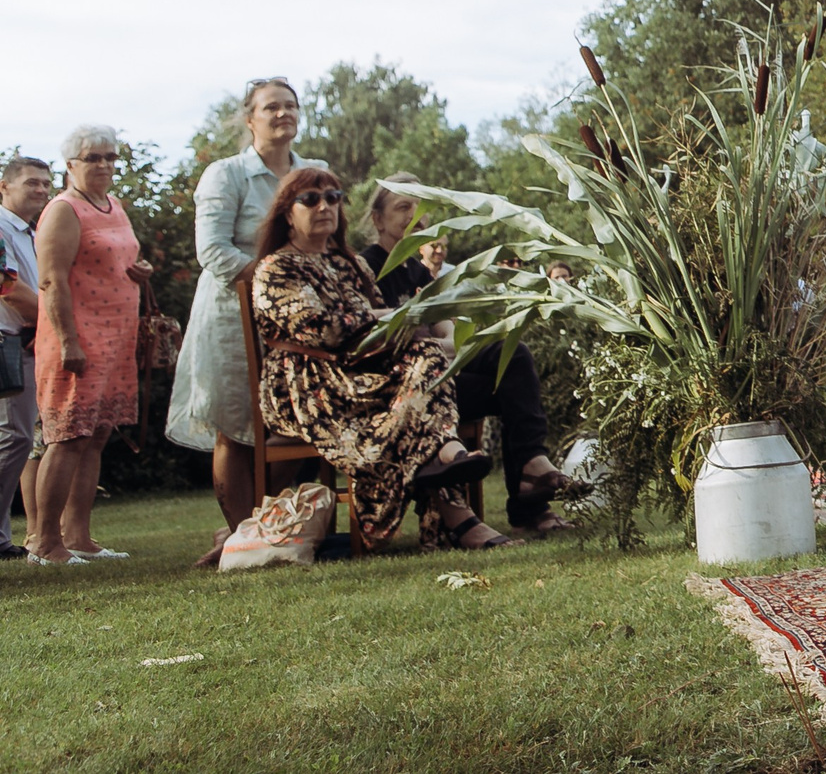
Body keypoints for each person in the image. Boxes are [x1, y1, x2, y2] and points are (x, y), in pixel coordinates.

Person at [250, 168, 511, 551]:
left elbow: (382, 318)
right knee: (425, 364)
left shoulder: (348, 263)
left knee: (426, 356)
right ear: (287, 213)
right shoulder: (276, 268)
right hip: (310, 384)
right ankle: (450, 468)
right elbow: (321, 330)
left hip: (367, 371)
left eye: (333, 197)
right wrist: (384, 319)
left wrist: (392, 323)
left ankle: (452, 490)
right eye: (310, 199)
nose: (325, 206)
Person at [365, 178, 585, 533]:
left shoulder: (419, 272)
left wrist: (433, 348)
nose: (415, 217)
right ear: (377, 219)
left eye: (420, 208)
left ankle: (531, 480)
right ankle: (532, 488)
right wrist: (430, 348)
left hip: (437, 380)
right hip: (398, 395)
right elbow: (374, 340)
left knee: (511, 363)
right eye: (403, 208)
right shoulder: (368, 267)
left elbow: (450, 336)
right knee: (505, 360)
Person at [168, 76, 313, 558]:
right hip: (232, 317)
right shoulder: (225, 174)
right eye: (270, 107)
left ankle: (258, 528)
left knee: (296, 417)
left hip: (298, 320)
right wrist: (272, 280)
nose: (282, 114)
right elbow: (212, 250)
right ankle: (242, 536)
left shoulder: (314, 172)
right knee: (236, 425)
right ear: (250, 119)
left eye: (290, 106)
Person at [26, 127, 151, 565]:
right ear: (71, 164)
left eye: (110, 158)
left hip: (117, 338)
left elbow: (118, 257)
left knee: (96, 437)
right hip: (77, 340)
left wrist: (140, 270)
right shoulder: (62, 210)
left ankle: (77, 536)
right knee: (67, 437)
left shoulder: (112, 204)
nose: (103, 165)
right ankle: (44, 542)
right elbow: (50, 279)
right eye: (92, 157)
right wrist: (68, 342)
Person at [0, 155, 48, 559]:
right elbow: (8, 289)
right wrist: (58, 322)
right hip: (7, 342)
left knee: (16, 439)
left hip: (25, 341)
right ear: (4, 187)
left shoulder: (29, 232)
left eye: (46, 184)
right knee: (12, 437)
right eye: (32, 183)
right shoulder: (0, 227)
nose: (42, 190)